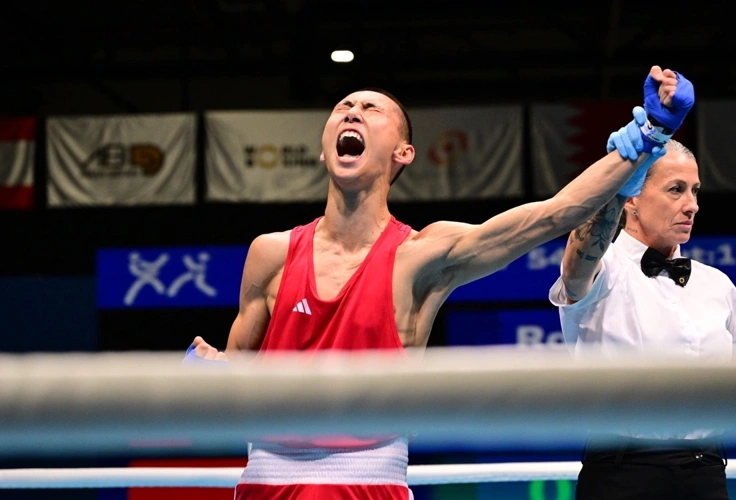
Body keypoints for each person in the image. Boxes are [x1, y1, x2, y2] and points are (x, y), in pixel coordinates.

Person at [187, 66, 686, 500]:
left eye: (370, 109)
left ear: (403, 153)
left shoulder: (421, 256)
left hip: (369, 484)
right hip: (267, 483)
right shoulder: (270, 254)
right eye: (343, 106)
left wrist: (647, 138)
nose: (353, 112)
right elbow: (237, 388)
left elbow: (548, 217)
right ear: (323, 150)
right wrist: (213, 378)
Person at [548, 68, 736, 500]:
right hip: (619, 474)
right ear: (632, 198)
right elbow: (575, 263)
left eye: (696, 191)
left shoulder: (716, 284)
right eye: (676, 190)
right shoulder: (602, 268)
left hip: (704, 472)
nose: (692, 205)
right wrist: (613, 184)